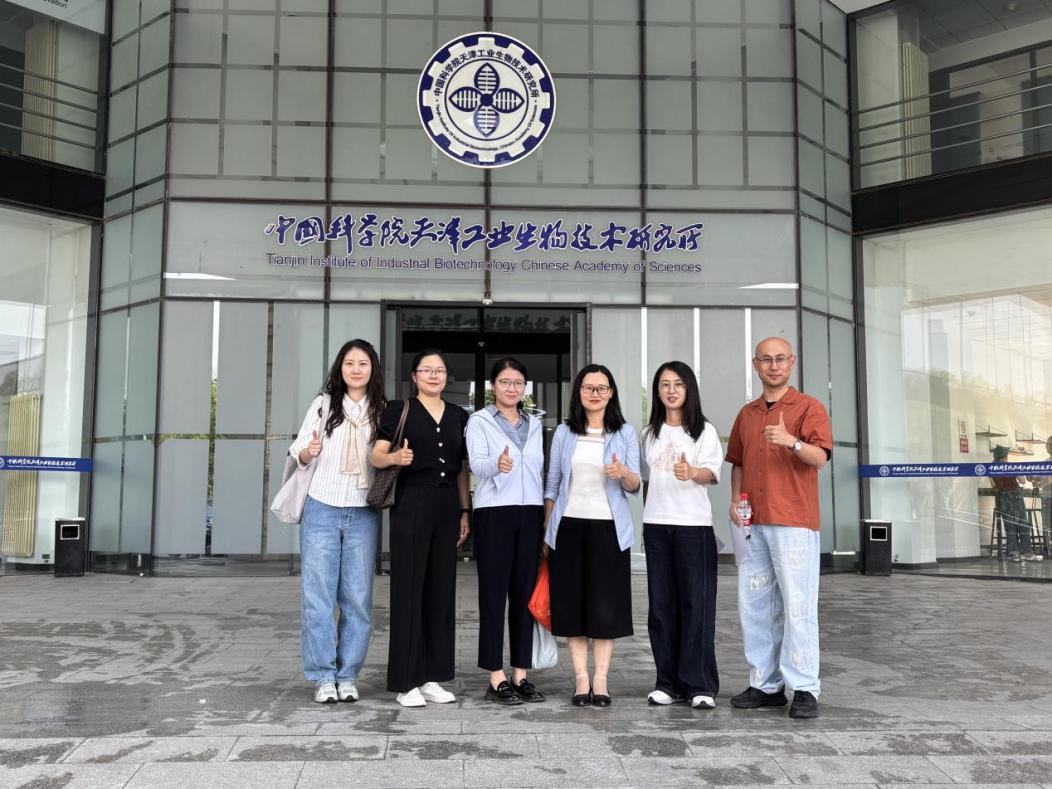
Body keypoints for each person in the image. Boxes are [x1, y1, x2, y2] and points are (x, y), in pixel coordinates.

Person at [726, 337, 832, 720]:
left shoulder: (809, 407)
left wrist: (792, 442)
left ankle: (804, 687)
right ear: (755, 364)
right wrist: (735, 500)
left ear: (792, 362)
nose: (774, 366)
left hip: (794, 522)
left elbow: (820, 458)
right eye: (766, 360)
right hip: (753, 522)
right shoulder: (747, 413)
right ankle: (765, 684)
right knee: (754, 606)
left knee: (798, 606)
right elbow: (737, 462)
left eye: (780, 359)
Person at [371, 349, 471, 707]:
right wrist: (395, 458)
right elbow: (376, 455)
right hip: (411, 502)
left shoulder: (459, 415)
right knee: (409, 589)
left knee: (441, 591)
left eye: (439, 370)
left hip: (447, 505)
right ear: (414, 377)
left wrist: (464, 510)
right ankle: (406, 681)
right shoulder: (399, 410)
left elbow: (462, 468)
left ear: (446, 377)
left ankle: (431, 676)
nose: (433, 375)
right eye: (426, 370)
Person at [288, 339, 385, 704]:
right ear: (340, 369)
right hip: (321, 508)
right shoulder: (323, 405)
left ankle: (347, 676)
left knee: (358, 598)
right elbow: (298, 450)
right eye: (349, 363)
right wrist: (307, 452)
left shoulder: (382, 410)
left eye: (362, 363)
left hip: (362, 510)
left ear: (372, 369)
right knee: (318, 597)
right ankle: (323, 676)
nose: (356, 369)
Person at [544, 363, 640, 708]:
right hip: (568, 527)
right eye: (588, 388)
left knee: (605, 607)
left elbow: (635, 485)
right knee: (571, 607)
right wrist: (547, 530)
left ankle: (601, 681)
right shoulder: (564, 432)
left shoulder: (624, 432)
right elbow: (552, 484)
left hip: (609, 530)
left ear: (611, 393)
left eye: (601, 388)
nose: (595, 393)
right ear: (579, 393)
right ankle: (581, 680)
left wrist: (623, 472)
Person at [641, 361, 723, 711]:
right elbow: (645, 480)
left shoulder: (703, 431)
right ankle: (667, 683)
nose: (671, 390)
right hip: (656, 527)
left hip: (693, 527)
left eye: (678, 384)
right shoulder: (649, 433)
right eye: (664, 384)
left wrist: (691, 472)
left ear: (689, 389)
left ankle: (699, 684)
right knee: (661, 606)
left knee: (696, 605)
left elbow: (712, 474)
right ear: (657, 392)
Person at [466, 358, 547, 705]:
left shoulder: (535, 424)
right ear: (493, 387)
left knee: (524, 595)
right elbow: (475, 463)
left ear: (525, 388)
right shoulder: (479, 421)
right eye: (504, 382)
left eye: (517, 383)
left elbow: (541, 471)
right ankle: (495, 675)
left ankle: (520, 673)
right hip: (494, 513)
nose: (511, 388)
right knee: (493, 594)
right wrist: (496, 465)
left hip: (530, 514)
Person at [992, 445, 1040, 563]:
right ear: (1005, 455)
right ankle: (1027, 553)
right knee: (1022, 524)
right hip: (1016, 496)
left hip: (1003, 498)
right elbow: (1022, 481)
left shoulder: (991, 467)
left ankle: (1014, 554)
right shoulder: (1011, 466)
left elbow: (993, 485)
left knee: (1009, 525)